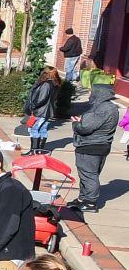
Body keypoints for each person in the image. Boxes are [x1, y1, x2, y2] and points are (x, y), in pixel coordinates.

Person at [69, 76, 118, 212]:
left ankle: (90, 202)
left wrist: (76, 123)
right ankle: (83, 198)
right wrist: (83, 120)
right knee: (89, 174)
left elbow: (85, 128)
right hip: (101, 145)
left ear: (99, 94)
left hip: (91, 146)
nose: (91, 95)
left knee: (89, 175)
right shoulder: (111, 108)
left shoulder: (102, 108)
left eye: (92, 92)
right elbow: (94, 123)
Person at [23, 66, 60, 156]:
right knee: (42, 129)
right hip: (47, 111)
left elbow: (42, 99)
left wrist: (33, 106)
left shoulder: (46, 84)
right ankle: (39, 150)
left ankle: (34, 150)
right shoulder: (54, 84)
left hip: (40, 111)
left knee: (33, 129)